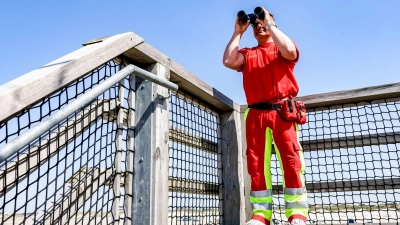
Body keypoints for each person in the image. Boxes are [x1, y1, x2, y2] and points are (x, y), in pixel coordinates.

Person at [222, 7, 308, 225]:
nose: (258, 25)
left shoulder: (281, 49)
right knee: (256, 164)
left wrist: (269, 22)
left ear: (272, 24)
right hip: (255, 114)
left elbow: (290, 50)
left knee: (291, 161)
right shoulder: (249, 54)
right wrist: (238, 32)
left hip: (282, 112)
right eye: (255, 23)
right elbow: (228, 61)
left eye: (263, 21)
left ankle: (297, 215)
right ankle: (261, 215)